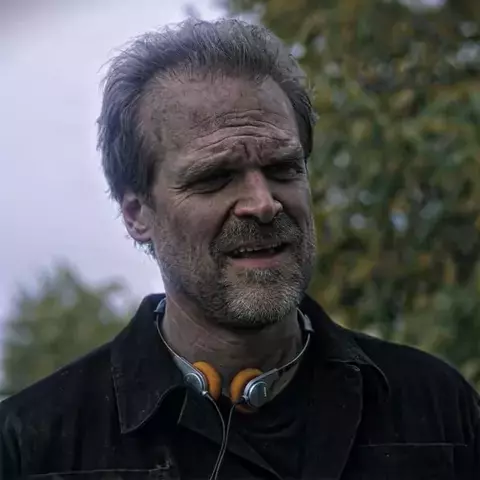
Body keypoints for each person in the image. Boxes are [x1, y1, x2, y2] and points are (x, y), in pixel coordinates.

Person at [1, 18, 479, 480]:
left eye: (283, 168)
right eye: (215, 177)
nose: (263, 204)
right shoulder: (32, 447)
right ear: (136, 214)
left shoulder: (438, 409)